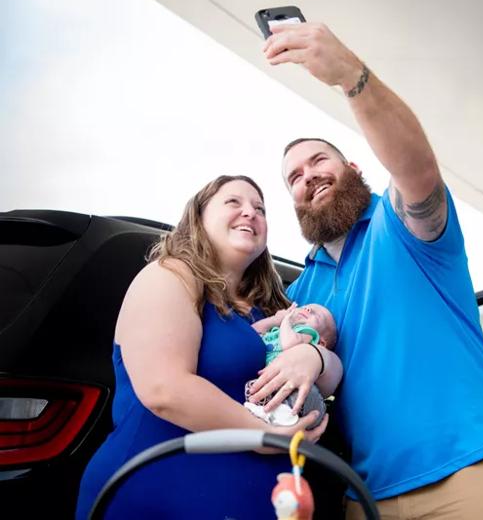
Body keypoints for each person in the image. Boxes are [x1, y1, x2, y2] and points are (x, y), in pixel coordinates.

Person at [249, 22, 483, 519]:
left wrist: (350, 77)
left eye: (319, 161)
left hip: (467, 477)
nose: (308, 176)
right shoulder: (303, 290)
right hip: (366, 498)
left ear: (355, 170)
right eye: (293, 177)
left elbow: (417, 169)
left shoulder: (401, 227)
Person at [75, 175, 342, 519]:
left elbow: (331, 380)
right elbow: (164, 389)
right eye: (234, 202)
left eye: (260, 209)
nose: (250, 213)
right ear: (198, 217)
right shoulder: (169, 275)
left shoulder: (272, 312)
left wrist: (315, 357)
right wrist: (267, 435)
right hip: (153, 498)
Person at [244, 303, 337, 427]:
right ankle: (267, 415)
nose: (308, 309)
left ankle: (282, 417)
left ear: (321, 343)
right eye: (305, 307)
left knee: (299, 394)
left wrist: (286, 320)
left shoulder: (308, 333)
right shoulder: (277, 331)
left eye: (316, 315)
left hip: (297, 391)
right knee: (255, 388)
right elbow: (251, 333)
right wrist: (275, 320)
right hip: (272, 385)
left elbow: (289, 344)